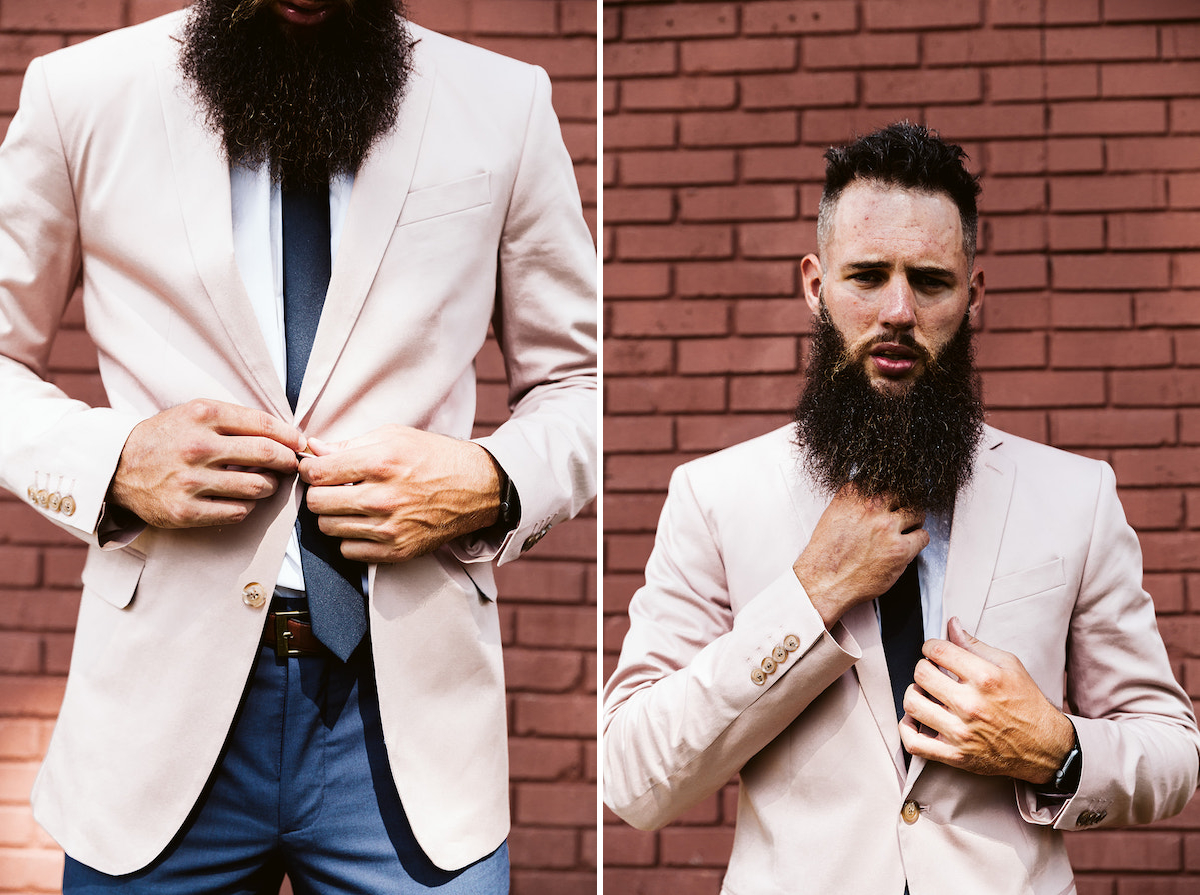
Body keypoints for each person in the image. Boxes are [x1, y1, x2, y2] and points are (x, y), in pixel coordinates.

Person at [0, 0, 596, 891]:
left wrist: (491, 480)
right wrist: (115, 461)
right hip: (155, 730)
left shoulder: (504, 102)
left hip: (410, 730)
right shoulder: (79, 95)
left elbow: (581, 384)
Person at [602, 122, 1200, 894]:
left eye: (930, 280)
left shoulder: (1075, 497)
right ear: (815, 287)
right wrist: (811, 592)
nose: (897, 310)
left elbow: (1172, 752)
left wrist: (1057, 747)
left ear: (972, 295)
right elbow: (633, 776)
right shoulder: (715, 496)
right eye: (867, 275)